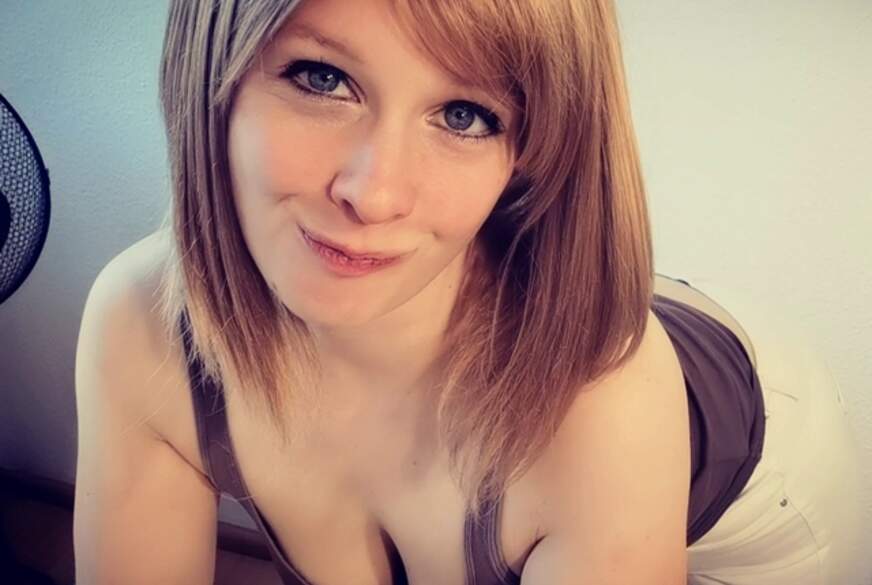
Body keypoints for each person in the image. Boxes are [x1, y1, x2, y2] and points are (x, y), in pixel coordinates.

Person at [72, 0, 864, 584]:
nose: (374, 195)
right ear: (211, 67)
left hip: (761, 450)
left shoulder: (604, 409)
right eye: (322, 78)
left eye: (463, 115)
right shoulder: (141, 321)